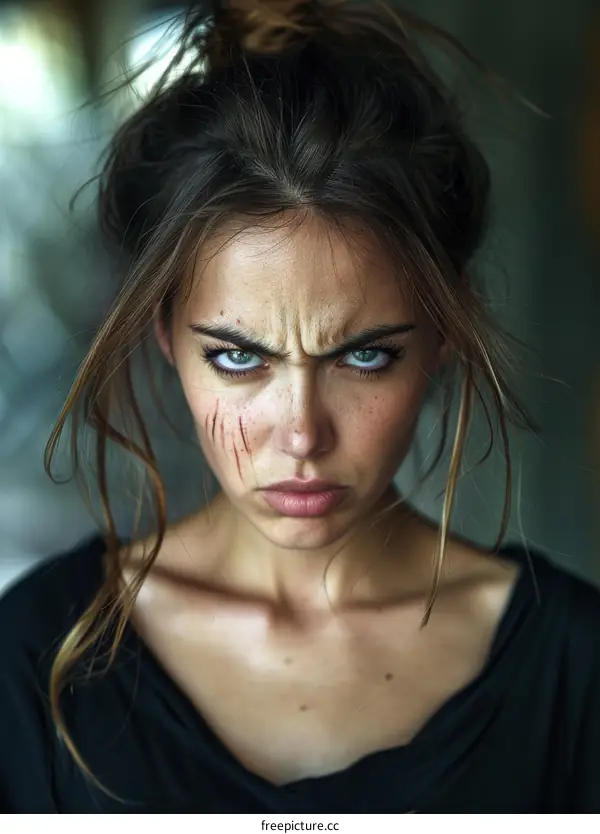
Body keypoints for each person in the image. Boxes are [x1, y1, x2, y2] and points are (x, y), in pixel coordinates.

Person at [1, 0, 599, 814]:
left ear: (447, 331)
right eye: (239, 357)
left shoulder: (575, 671)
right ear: (166, 333)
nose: (302, 435)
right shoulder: (40, 657)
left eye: (364, 355)